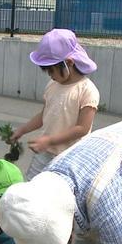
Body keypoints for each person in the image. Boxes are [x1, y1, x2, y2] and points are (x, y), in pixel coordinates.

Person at [11, 29, 100, 181]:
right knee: (32, 188)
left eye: (51, 70)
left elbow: (82, 128)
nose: (50, 75)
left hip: (70, 157)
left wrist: (50, 140)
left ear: (69, 63)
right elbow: (44, 115)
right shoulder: (53, 85)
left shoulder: (87, 90)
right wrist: (22, 130)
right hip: (45, 152)